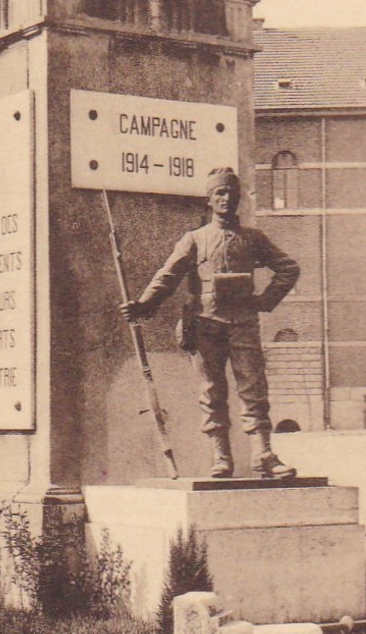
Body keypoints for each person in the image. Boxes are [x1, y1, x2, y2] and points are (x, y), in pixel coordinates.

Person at [120, 167, 301, 479]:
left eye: (231, 193)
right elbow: (168, 275)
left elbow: (288, 268)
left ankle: (264, 454)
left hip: (244, 323)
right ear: (209, 199)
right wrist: (144, 304)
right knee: (211, 391)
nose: (226, 199)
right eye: (220, 193)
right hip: (206, 325)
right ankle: (221, 457)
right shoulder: (195, 240)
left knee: (253, 388)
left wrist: (263, 301)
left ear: (240, 198)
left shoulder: (253, 239)